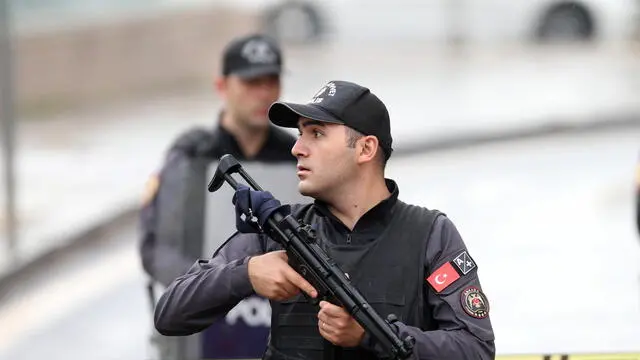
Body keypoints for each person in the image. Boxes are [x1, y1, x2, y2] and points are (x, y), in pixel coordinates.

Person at [153, 80, 496, 359]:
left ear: (365, 149)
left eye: (316, 133)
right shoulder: (279, 234)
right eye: (300, 134)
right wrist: (246, 274)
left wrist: (373, 335)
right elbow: (170, 313)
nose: (297, 148)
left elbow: (476, 349)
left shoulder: (430, 235)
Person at [139, 33, 296, 288]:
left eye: (271, 81)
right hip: (207, 306)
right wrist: (207, 290)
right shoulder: (192, 156)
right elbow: (158, 248)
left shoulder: (296, 155)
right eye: (252, 82)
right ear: (221, 86)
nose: (264, 94)